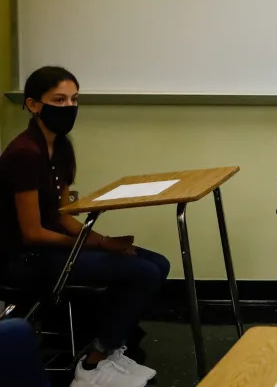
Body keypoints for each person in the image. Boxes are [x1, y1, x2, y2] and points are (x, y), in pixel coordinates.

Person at [0, 66, 170, 387]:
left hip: (51, 246)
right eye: (59, 100)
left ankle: (110, 347)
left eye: (74, 99)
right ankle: (92, 366)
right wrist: (100, 245)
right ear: (34, 105)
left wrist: (104, 240)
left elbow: (63, 215)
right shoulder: (24, 154)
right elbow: (32, 233)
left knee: (158, 263)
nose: (69, 107)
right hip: (23, 259)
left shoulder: (60, 147)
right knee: (143, 273)